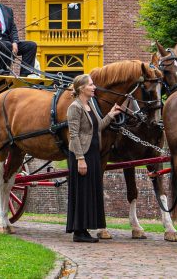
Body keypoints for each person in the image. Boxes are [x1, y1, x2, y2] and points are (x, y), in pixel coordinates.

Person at [65, 73, 121, 242]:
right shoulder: (75, 107)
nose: (94, 87)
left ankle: (85, 230)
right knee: (82, 192)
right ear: (82, 88)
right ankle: (79, 232)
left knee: (90, 192)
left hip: (93, 154)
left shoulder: (90, 105)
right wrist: (80, 159)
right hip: (82, 155)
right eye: (91, 85)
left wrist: (110, 115)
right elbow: (73, 135)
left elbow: (97, 127)